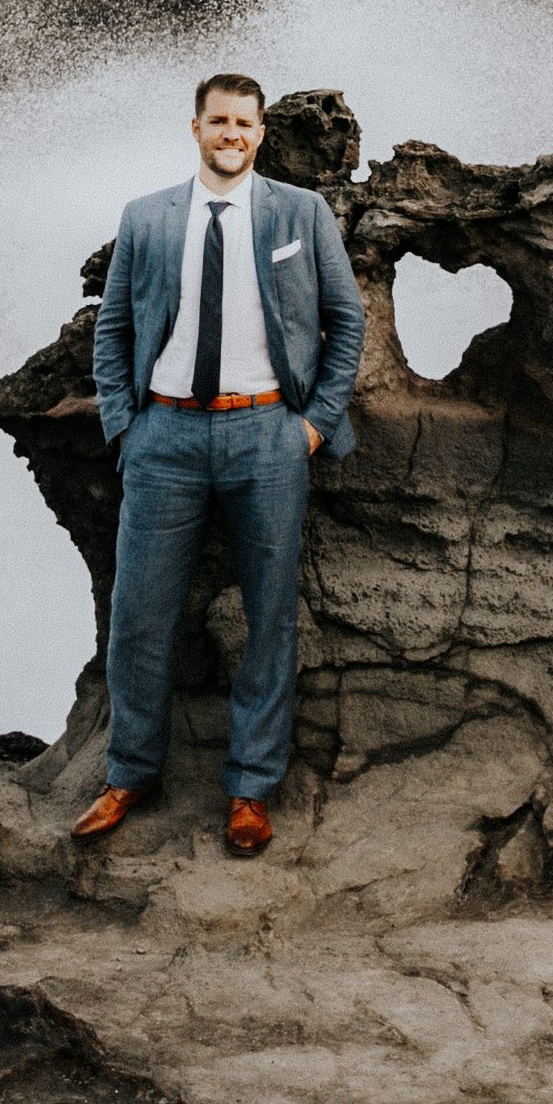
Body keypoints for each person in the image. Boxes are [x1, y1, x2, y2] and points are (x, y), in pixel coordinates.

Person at [75, 73, 365, 856]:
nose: (231, 133)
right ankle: (131, 771)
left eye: (244, 122)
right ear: (195, 128)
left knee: (268, 617)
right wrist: (124, 429)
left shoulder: (302, 213)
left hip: (267, 434)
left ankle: (250, 789)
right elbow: (114, 330)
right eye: (218, 121)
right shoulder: (148, 217)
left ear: (262, 131)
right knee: (139, 613)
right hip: (163, 438)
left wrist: (311, 426)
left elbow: (347, 321)